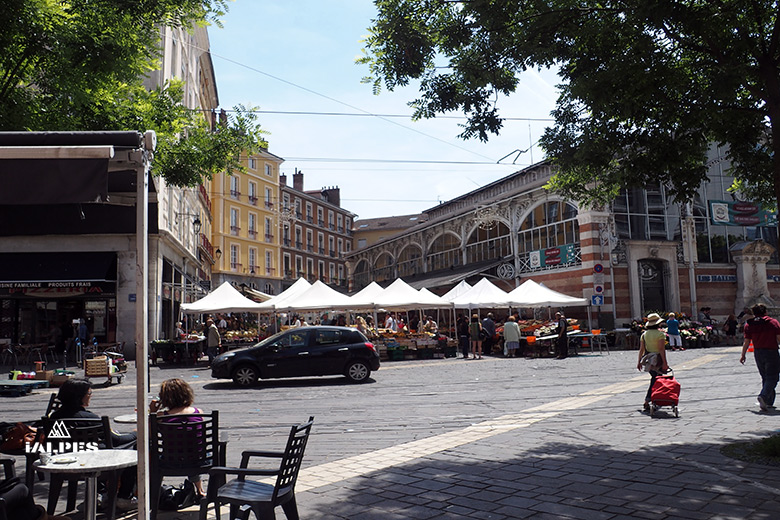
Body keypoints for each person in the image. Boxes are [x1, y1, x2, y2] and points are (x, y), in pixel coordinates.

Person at [50, 378, 137, 502]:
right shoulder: (90, 418)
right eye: (89, 393)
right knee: (134, 454)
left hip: (67, 460)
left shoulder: (54, 417)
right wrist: (135, 434)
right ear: (79, 396)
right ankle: (124, 497)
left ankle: (100, 493)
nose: (91, 396)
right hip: (94, 463)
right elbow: (116, 440)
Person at [149, 378, 206, 497]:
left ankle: (153, 491)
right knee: (190, 448)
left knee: (156, 453)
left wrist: (152, 413)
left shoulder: (161, 417)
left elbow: (149, 435)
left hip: (170, 461)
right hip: (198, 461)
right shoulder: (199, 412)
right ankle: (200, 490)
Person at [740, 303, 780, 411]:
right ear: (765, 312)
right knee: (773, 377)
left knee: (765, 377)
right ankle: (763, 396)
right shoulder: (773, 322)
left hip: (758, 353)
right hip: (771, 351)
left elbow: (747, 341)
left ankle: (768, 402)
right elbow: (779, 338)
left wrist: (743, 355)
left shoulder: (749, 324)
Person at [637, 312, 669, 412]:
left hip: (648, 360)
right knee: (656, 380)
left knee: (655, 378)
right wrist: (665, 363)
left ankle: (655, 399)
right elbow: (661, 350)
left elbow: (641, 349)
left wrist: (639, 362)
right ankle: (649, 400)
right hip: (657, 360)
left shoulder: (644, 334)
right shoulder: (660, 334)